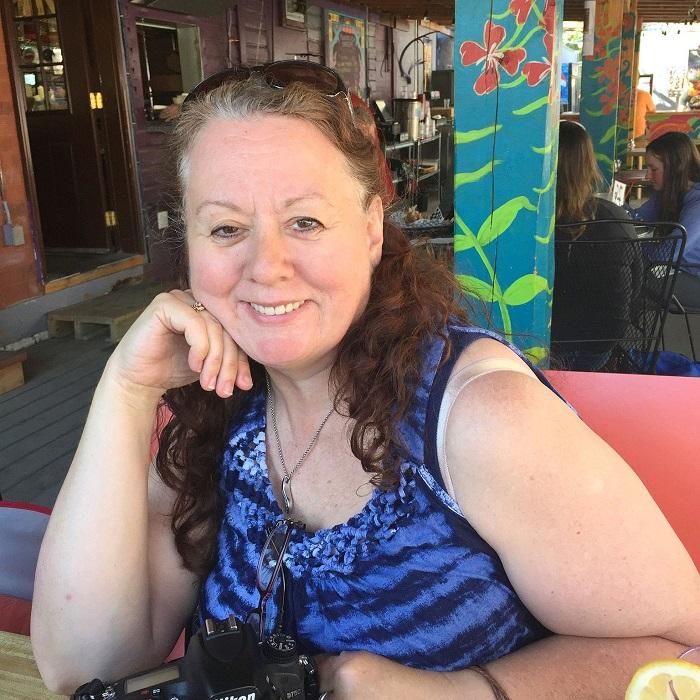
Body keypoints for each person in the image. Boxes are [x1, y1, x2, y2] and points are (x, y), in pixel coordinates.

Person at [31, 62, 699, 699]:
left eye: (305, 221)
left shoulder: (477, 417)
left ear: (373, 230)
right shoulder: (215, 407)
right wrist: (124, 391)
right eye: (226, 227)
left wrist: (458, 693)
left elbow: (684, 650)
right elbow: (82, 665)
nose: (266, 265)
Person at [551, 121, 641, 371]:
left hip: (548, 343)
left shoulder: (535, 223)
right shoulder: (616, 215)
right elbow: (636, 283)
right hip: (602, 344)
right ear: (589, 163)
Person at [628, 131, 700, 307]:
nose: (647, 176)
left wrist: (634, 242)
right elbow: (635, 217)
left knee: (627, 281)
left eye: (653, 169)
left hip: (692, 276)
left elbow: (664, 254)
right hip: (675, 269)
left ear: (676, 168)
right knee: (625, 276)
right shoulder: (669, 193)